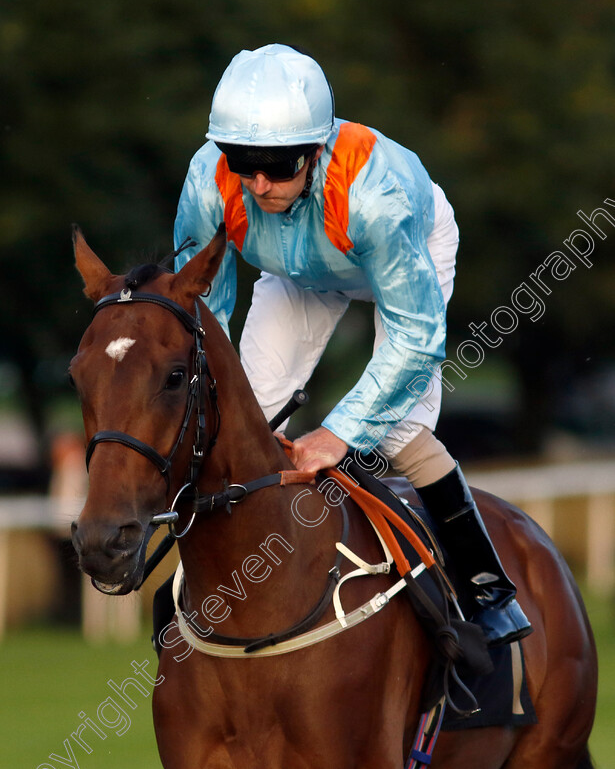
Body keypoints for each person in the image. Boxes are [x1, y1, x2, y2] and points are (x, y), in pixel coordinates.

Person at [174, 43, 531, 647]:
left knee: (389, 430)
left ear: (316, 150)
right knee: (239, 423)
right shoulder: (209, 180)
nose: (259, 183)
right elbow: (199, 308)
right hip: (300, 269)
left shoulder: (377, 196)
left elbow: (418, 340)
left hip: (401, 251)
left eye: (280, 164)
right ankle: (206, 589)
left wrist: (339, 432)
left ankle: (485, 586)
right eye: (243, 160)